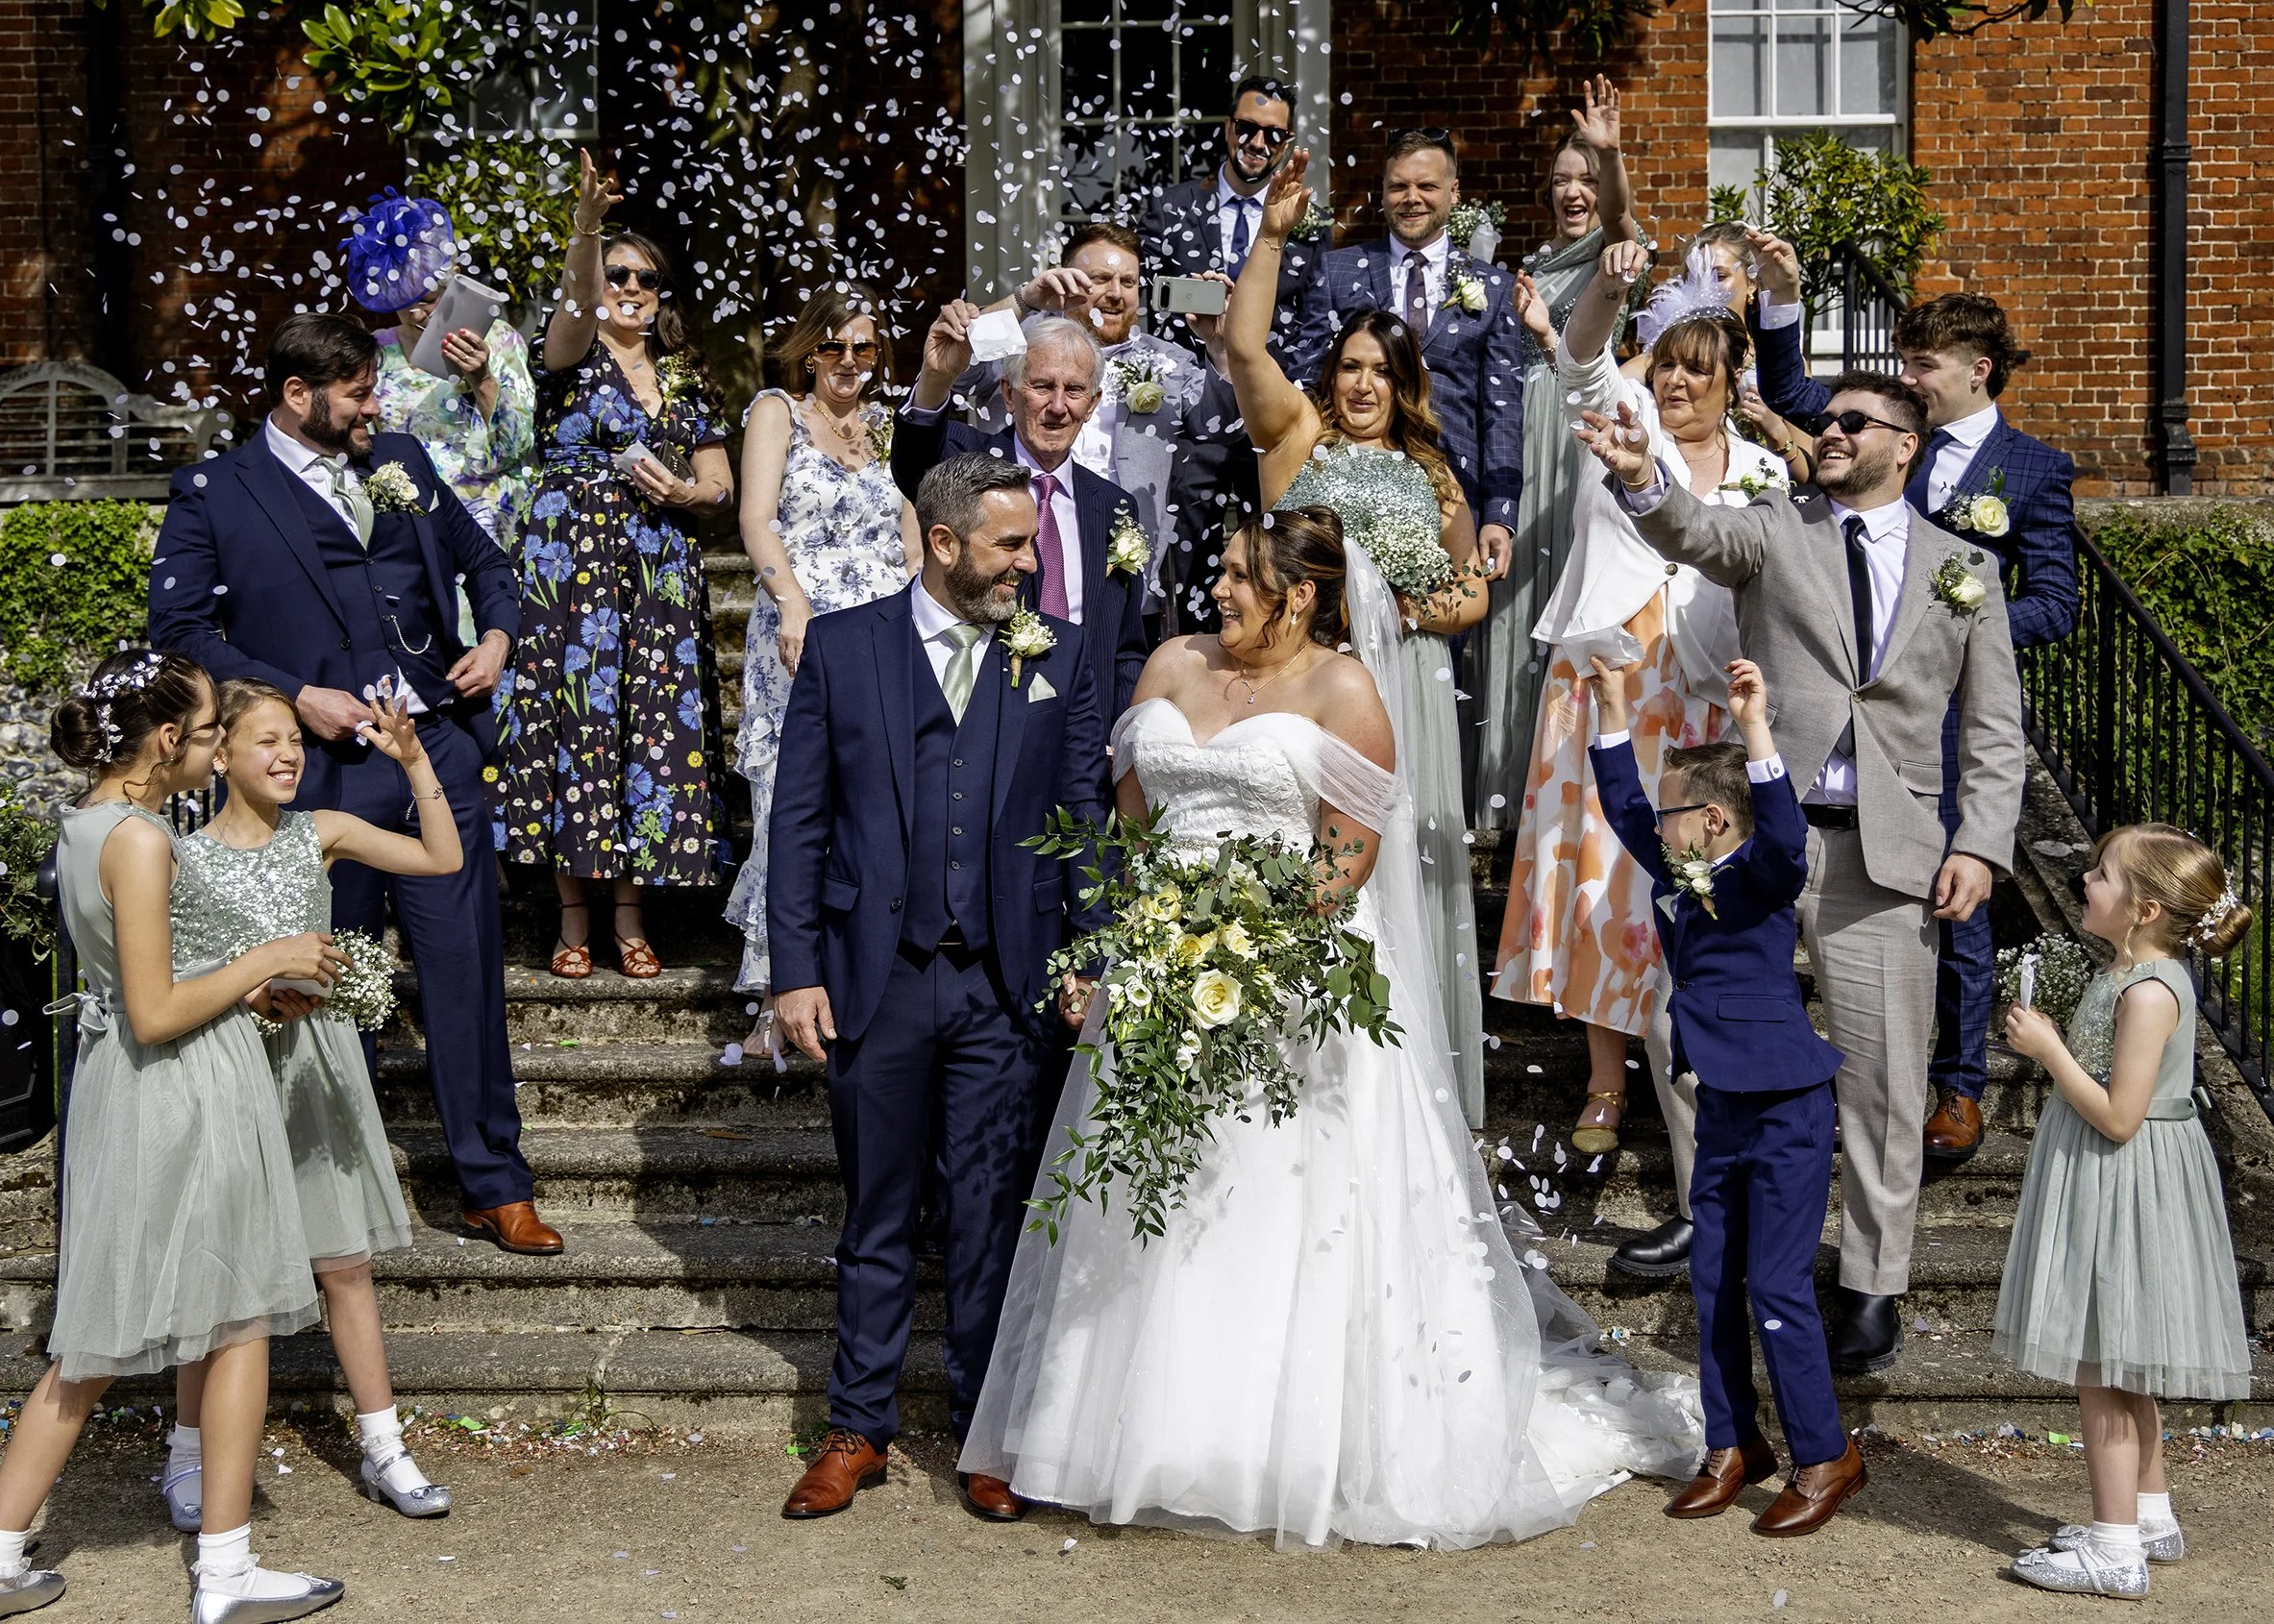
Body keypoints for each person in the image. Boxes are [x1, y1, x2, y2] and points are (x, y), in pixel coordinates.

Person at [958, 512, 1703, 1547]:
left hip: (1294, 981)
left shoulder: (1345, 690)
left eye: (1232, 575)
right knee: (1154, 1202)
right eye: (1215, 572)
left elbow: (1344, 856)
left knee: (1277, 1204)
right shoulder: (1169, 665)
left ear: (1296, 594)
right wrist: (1162, 938)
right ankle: (1135, 1432)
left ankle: (1278, 1447)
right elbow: (1129, 816)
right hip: (1162, 965)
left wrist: (1241, 946)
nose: (1213, 590)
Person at [1578, 368, 2026, 1375]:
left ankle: (1872, 1282)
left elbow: (1994, 730)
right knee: (1680, 1029)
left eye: (1850, 421)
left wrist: (1980, 841)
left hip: (1890, 849)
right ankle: (1714, 1218)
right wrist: (1642, 479)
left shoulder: (1965, 570)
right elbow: (1690, 531)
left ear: (1903, 444)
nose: (1826, 432)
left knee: (1881, 1073)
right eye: (1822, 421)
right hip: (1751, 833)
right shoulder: (1776, 529)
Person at [146, 311, 556, 1257]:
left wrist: (494, 639)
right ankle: (328, 1195)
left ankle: (494, 1183)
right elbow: (180, 633)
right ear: (299, 397)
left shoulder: (400, 455)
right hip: (317, 774)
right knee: (327, 983)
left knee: (465, 972)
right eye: (360, 390)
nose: (379, 404)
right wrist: (296, 698)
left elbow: (488, 564)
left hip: (437, 756)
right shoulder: (216, 491)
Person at [767, 455, 1112, 1522]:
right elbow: (798, 819)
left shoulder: (1050, 652)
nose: (1029, 562)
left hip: (1004, 985)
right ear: (944, 541)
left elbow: (1081, 821)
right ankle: (857, 1426)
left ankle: (987, 1431)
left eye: (1031, 545)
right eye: (1010, 544)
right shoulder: (842, 644)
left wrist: (1086, 953)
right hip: (876, 978)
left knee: (988, 1215)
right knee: (875, 1211)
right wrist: (793, 973)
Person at [0, 650, 348, 1620]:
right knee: (237, 1322)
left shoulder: (88, 824)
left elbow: (140, 980)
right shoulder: (144, 839)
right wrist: (266, 958)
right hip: (182, 1084)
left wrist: (247, 979)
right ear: (163, 742)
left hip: (134, 1085)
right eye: (204, 734)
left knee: (93, 1341)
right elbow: (155, 1009)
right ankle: (226, 1574)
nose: (211, 749)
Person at [1749, 250, 2083, 1162]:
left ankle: (1958, 1088)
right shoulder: (1882, 437)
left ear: (1977, 371)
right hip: (1843, 721)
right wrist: (1783, 294)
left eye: (1924, 365)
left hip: (1939, 713)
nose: (1907, 379)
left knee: (1955, 907)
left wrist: (1960, 618)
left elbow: (2058, 595)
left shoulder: (2032, 468)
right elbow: (1787, 384)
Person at [1212, 147, 1492, 1125]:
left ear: (1404, 378)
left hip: (1406, 685)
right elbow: (1245, 351)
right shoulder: (1300, 442)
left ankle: (1406, 1084)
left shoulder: (1433, 471)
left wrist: (1423, 602)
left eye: (1381, 369)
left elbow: (1470, 597)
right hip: (1308, 683)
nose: (1363, 383)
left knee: (1403, 870)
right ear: (1330, 375)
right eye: (1349, 366)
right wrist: (1273, 236)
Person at [1494, 237, 1778, 1189]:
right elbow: (1577, 354)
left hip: (1703, 702)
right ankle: (1607, 1081)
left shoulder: (1765, 474)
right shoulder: (1617, 421)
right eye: (1666, 368)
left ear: (1731, 376)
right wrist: (1610, 286)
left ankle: (1698, 1069)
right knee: (1610, 887)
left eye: (1699, 373)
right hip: (1614, 684)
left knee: (1695, 888)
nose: (1679, 389)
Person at [163, 680, 456, 1535]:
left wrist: (414, 759)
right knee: (213, 1280)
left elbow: (443, 859)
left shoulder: (319, 834)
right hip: (223, 1069)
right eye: (265, 741)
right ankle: (186, 1455)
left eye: (294, 739)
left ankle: (384, 1448)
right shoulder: (177, 854)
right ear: (219, 755)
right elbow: (165, 980)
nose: (288, 754)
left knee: (347, 1265)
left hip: (313, 1070)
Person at [1588, 655, 1861, 1538]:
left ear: (1709, 821)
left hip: (1787, 1101)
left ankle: (1826, 1456)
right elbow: (1628, 809)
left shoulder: (1761, 875)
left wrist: (1755, 732)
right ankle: (1733, 1444)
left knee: (1775, 1284)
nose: (1655, 826)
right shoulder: (1678, 870)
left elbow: (1783, 841)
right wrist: (1615, 712)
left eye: (1675, 814)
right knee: (1713, 1276)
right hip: (1723, 1102)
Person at [1994, 824, 2253, 1597]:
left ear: (2143, 909)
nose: (2085, 883)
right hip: (2115, 1176)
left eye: (2101, 875)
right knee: (2122, 1350)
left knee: (2102, 1364)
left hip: (2126, 1177)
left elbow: (2119, 1116)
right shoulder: (2128, 973)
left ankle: (2112, 1551)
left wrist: (2048, 1050)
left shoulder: (2148, 991)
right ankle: (2148, 1515)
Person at [501, 150, 735, 981]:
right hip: (571, 571)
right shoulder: (565, 355)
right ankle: (574, 915)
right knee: (579, 728)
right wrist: (588, 232)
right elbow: (569, 316)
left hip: (658, 571)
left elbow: (721, 480)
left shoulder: (682, 373)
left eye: (644, 279)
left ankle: (633, 913)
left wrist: (685, 491)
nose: (629, 289)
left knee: (649, 736)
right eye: (616, 276)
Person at [723, 284, 920, 1046]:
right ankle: (780, 988)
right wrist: (793, 603)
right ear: (807, 351)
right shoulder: (778, 410)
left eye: (863, 349)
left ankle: (852, 970)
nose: (847, 362)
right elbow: (754, 517)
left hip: (877, 632)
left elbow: (907, 533)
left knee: (867, 793)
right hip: (801, 629)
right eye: (832, 347)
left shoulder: (881, 428)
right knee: (790, 798)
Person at [1475, 77, 1639, 831]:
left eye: (1584, 180)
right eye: (1560, 182)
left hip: (1578, 433)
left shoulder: (1611, 254)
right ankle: (1510, 796)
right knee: (1513, 609)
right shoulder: (1534, 265)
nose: (1572, 192)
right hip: (1523, 437)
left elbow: (1624, 223)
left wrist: (1609, 157)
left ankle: (1574, 788)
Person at [946, 223, 1234, 632]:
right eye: (1100, 279)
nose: (1115, 293)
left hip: (1123, 570)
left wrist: (1220, 349)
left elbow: (1217, 427)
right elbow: (959, 368)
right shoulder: (1023, 343)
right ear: (1067, 282)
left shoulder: (1168, 362)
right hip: (1019, 555)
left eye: (1128, 281)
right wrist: (1026, 299)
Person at [890, 304, 1149, 722]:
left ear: (1094, 402)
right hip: (980, 720)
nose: (1058, 406)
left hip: (1084, 732)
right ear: (1009, 394)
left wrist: (1117, 734)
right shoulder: (965, 459)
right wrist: (936, 378)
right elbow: (915, 460)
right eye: (1042, 386)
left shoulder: (1115, 507)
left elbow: (1125, 649)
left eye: (1075, 390)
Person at [1304, 127, 1525, 581]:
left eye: (1426, 186)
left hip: (1454, 496)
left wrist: (1500, 514)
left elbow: (1502, 411)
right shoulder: (1336, 270)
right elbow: (1308, 380)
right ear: (1382, 192)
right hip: (1352, 489)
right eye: (1398, 186)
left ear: (1452, 192)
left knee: (1445, 632)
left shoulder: (1495, 289)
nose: (1412, 198)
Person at [342, 190, 537, 546]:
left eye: (428, 300)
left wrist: (483, 379)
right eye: (404, 305)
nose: (418, 315)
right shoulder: (376, 350)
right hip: (410, 528)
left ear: (454, 279)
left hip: (493, 523)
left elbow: (519, 449)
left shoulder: (501, 341)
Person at [1140, 74, 1332, 369]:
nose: (1257, 143)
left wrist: (1291, 391)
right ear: (1229, 127)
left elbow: (1316, 321)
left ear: (1286, 142)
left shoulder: (1309, 220)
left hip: (1272, 390)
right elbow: (1131, 288)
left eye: (1273, 134)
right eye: (1247, 128)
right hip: (1183, 387)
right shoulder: (1171, 207)